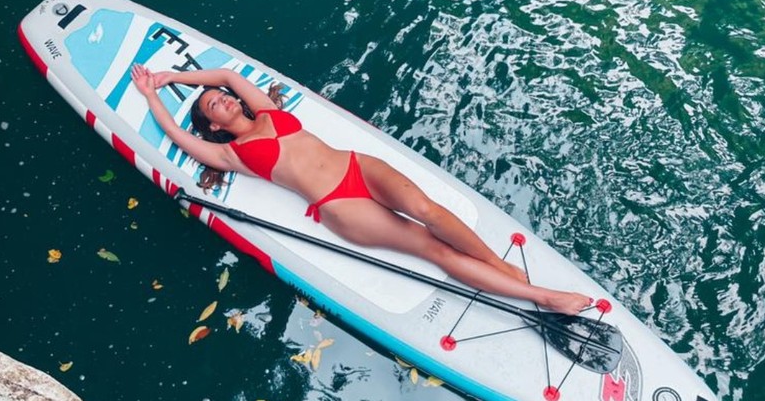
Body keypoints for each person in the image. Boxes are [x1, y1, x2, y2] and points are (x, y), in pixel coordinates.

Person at [130, 64, 591, 315]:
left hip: (357, 167)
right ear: (215, 124)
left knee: (427, 209)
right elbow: (176, 135)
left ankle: (499, 267)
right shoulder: (231, 155)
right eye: (215, 104)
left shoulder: (264, 110)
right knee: (433, 250)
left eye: (221, 96)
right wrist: (153, 96)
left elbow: (228, 76)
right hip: (340, 205)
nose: (225, 97)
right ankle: (543, 298)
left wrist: (173, 78)